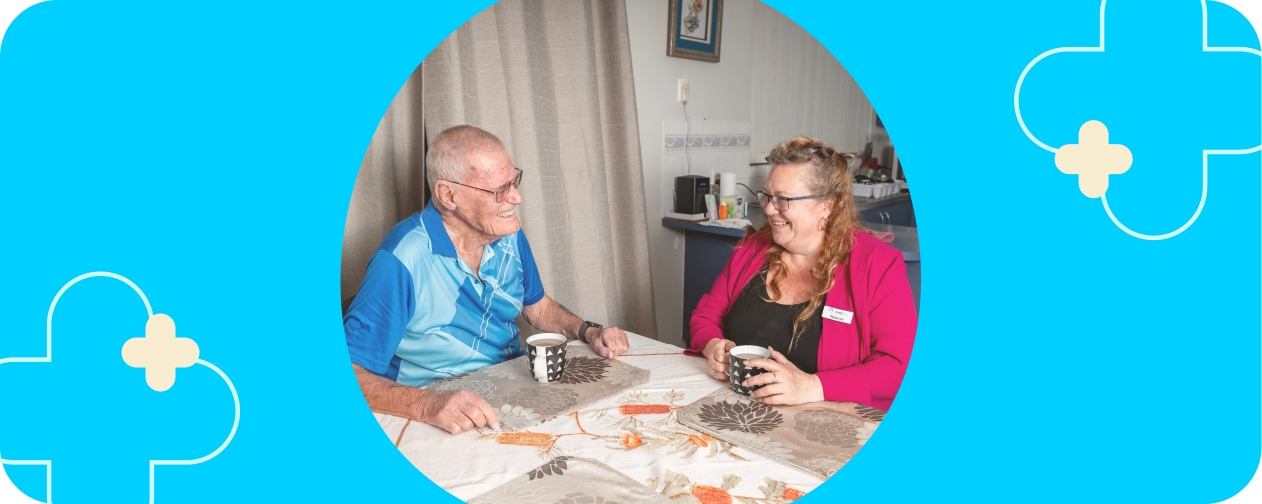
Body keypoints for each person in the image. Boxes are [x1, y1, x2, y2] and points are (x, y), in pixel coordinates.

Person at [344, 125, 630, 434]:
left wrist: (587, 331)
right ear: (447, 194)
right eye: (499, 191)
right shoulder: (402, 258)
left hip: (516, 388)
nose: (517, 198)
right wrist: (428, 404)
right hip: (444, 414)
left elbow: (537, 307)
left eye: (514, 182)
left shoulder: (508, 233)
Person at [689, 137, 917, 410]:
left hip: (826, 427)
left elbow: (899, 367)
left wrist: (811, 386)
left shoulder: (878, 265)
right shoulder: (752, 249)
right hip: (736, 410)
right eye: (767, 196)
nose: (770, 209)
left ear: (827, 205)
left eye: (783, 199)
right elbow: (705, 316)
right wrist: (713, 345)